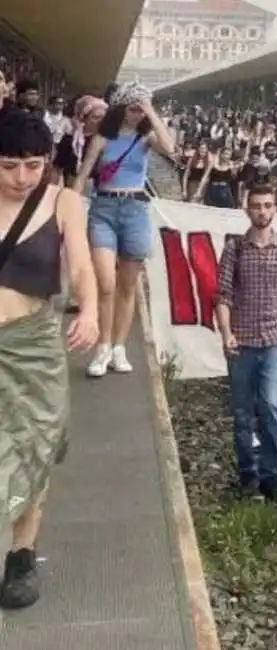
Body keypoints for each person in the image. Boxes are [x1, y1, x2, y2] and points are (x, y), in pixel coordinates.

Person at [0, 109, 98, 609]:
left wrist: (92, 311)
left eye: (33, 165)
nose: (22, 178)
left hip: (36, 347)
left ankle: (21, 554)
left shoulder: (64, 203)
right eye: (10, 165)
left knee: (34, 451)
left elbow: (80, 265)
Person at [71, 82, 175, 378]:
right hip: (103, 208)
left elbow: (170, 148)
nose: (137, 112)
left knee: (128, 285)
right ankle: (102, 347)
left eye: (140, 108)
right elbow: (82, 174)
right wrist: (71, 209)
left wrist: (151, 111)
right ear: (120, 107)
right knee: (106, 283)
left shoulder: (146, 138)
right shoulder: (103, 136)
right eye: (133, 107)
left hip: (136, 211)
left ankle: (119, 347)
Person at [215, 184, 277, 500]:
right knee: (241, 412)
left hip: (274, 339)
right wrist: (226, 333)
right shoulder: (234, 249)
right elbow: (223, 295)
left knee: (269, 405)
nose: (262, 211)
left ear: (275, 210)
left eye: (267, 205)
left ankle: (270, 473)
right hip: (242, 341)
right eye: (256, 205)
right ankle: (247, 474)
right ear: (247, 209)